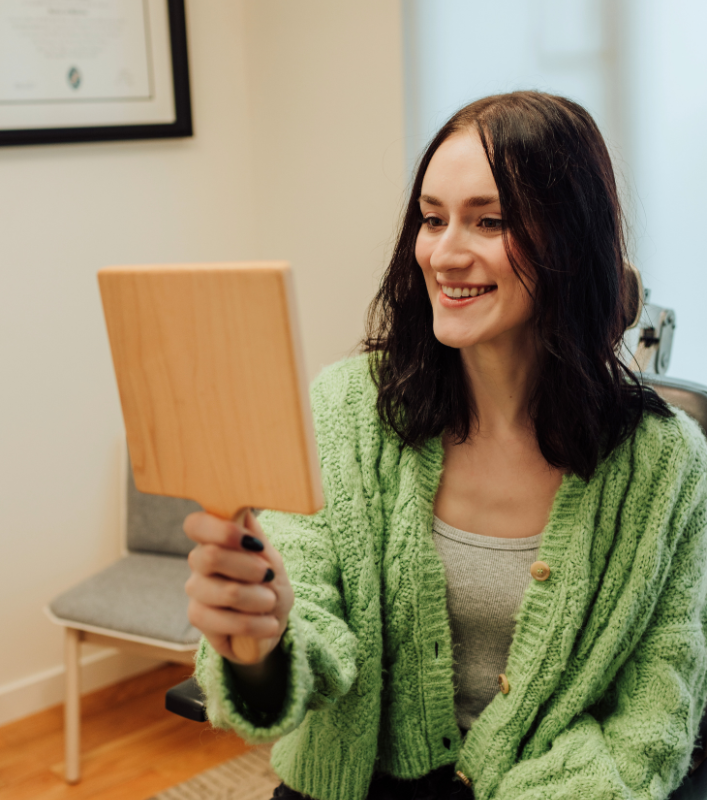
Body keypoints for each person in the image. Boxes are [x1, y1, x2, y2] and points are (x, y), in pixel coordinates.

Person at [183, 92, 707, 800]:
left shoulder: (662, 461)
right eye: (432, 219)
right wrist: (257, 644)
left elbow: (657, 708)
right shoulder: (346, 409)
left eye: (488, 221)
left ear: (570, 240)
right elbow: (304, 623)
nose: (445, 253)